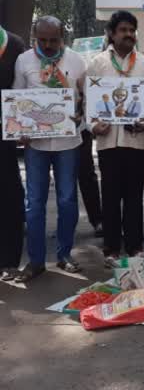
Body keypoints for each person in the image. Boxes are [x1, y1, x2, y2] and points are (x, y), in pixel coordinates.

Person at [13, 16, 86, 282]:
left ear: (61, 37)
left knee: (67, 199)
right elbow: (17, 97)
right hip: (36, 145)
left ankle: (64, 254)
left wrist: (82, 117)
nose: (47, 45)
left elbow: (88, 99)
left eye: (53, 40)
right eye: (42, 40)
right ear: (35, 36)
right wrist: (20, 129)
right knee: (34, 204)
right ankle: (35, 260)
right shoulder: (24, 61)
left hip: (68, 142)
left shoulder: (77, 61)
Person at [88, 10, 144, 265]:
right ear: (111, 33)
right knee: (110, 195)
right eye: (123, 30)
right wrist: (94, 125)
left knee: (133, 195)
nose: (129, 35)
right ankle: (111, 248)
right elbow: (89, 103)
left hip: (136, 142)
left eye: (132, 30)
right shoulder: (98, 64)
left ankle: (135, 245)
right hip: (108, 143)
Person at [0, 26, 27, 281]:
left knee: (9, 195)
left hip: (4, 134)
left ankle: (9, 260)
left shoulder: (13, 44)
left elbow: (24, 90)